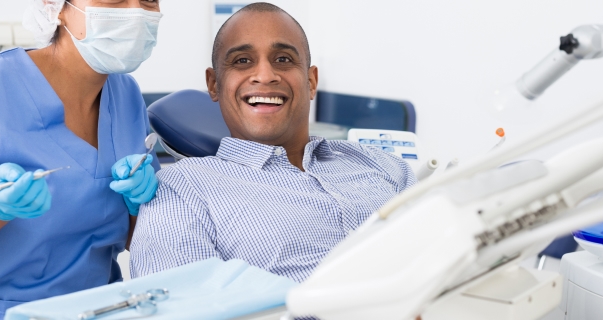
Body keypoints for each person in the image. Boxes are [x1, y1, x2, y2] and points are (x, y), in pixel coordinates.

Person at [0, 0, 163, 318]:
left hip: (100, 307)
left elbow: (144, 243)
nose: (135, 10)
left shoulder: (126, 95)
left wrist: (139, 208)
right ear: (59, 7)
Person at [129, 2, 416, 283]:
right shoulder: (183, 193)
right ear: (214, 84)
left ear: (311, 81)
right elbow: (181, 309)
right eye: (242, 61)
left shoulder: (387, 167)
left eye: (283, 59)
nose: (265, 76)